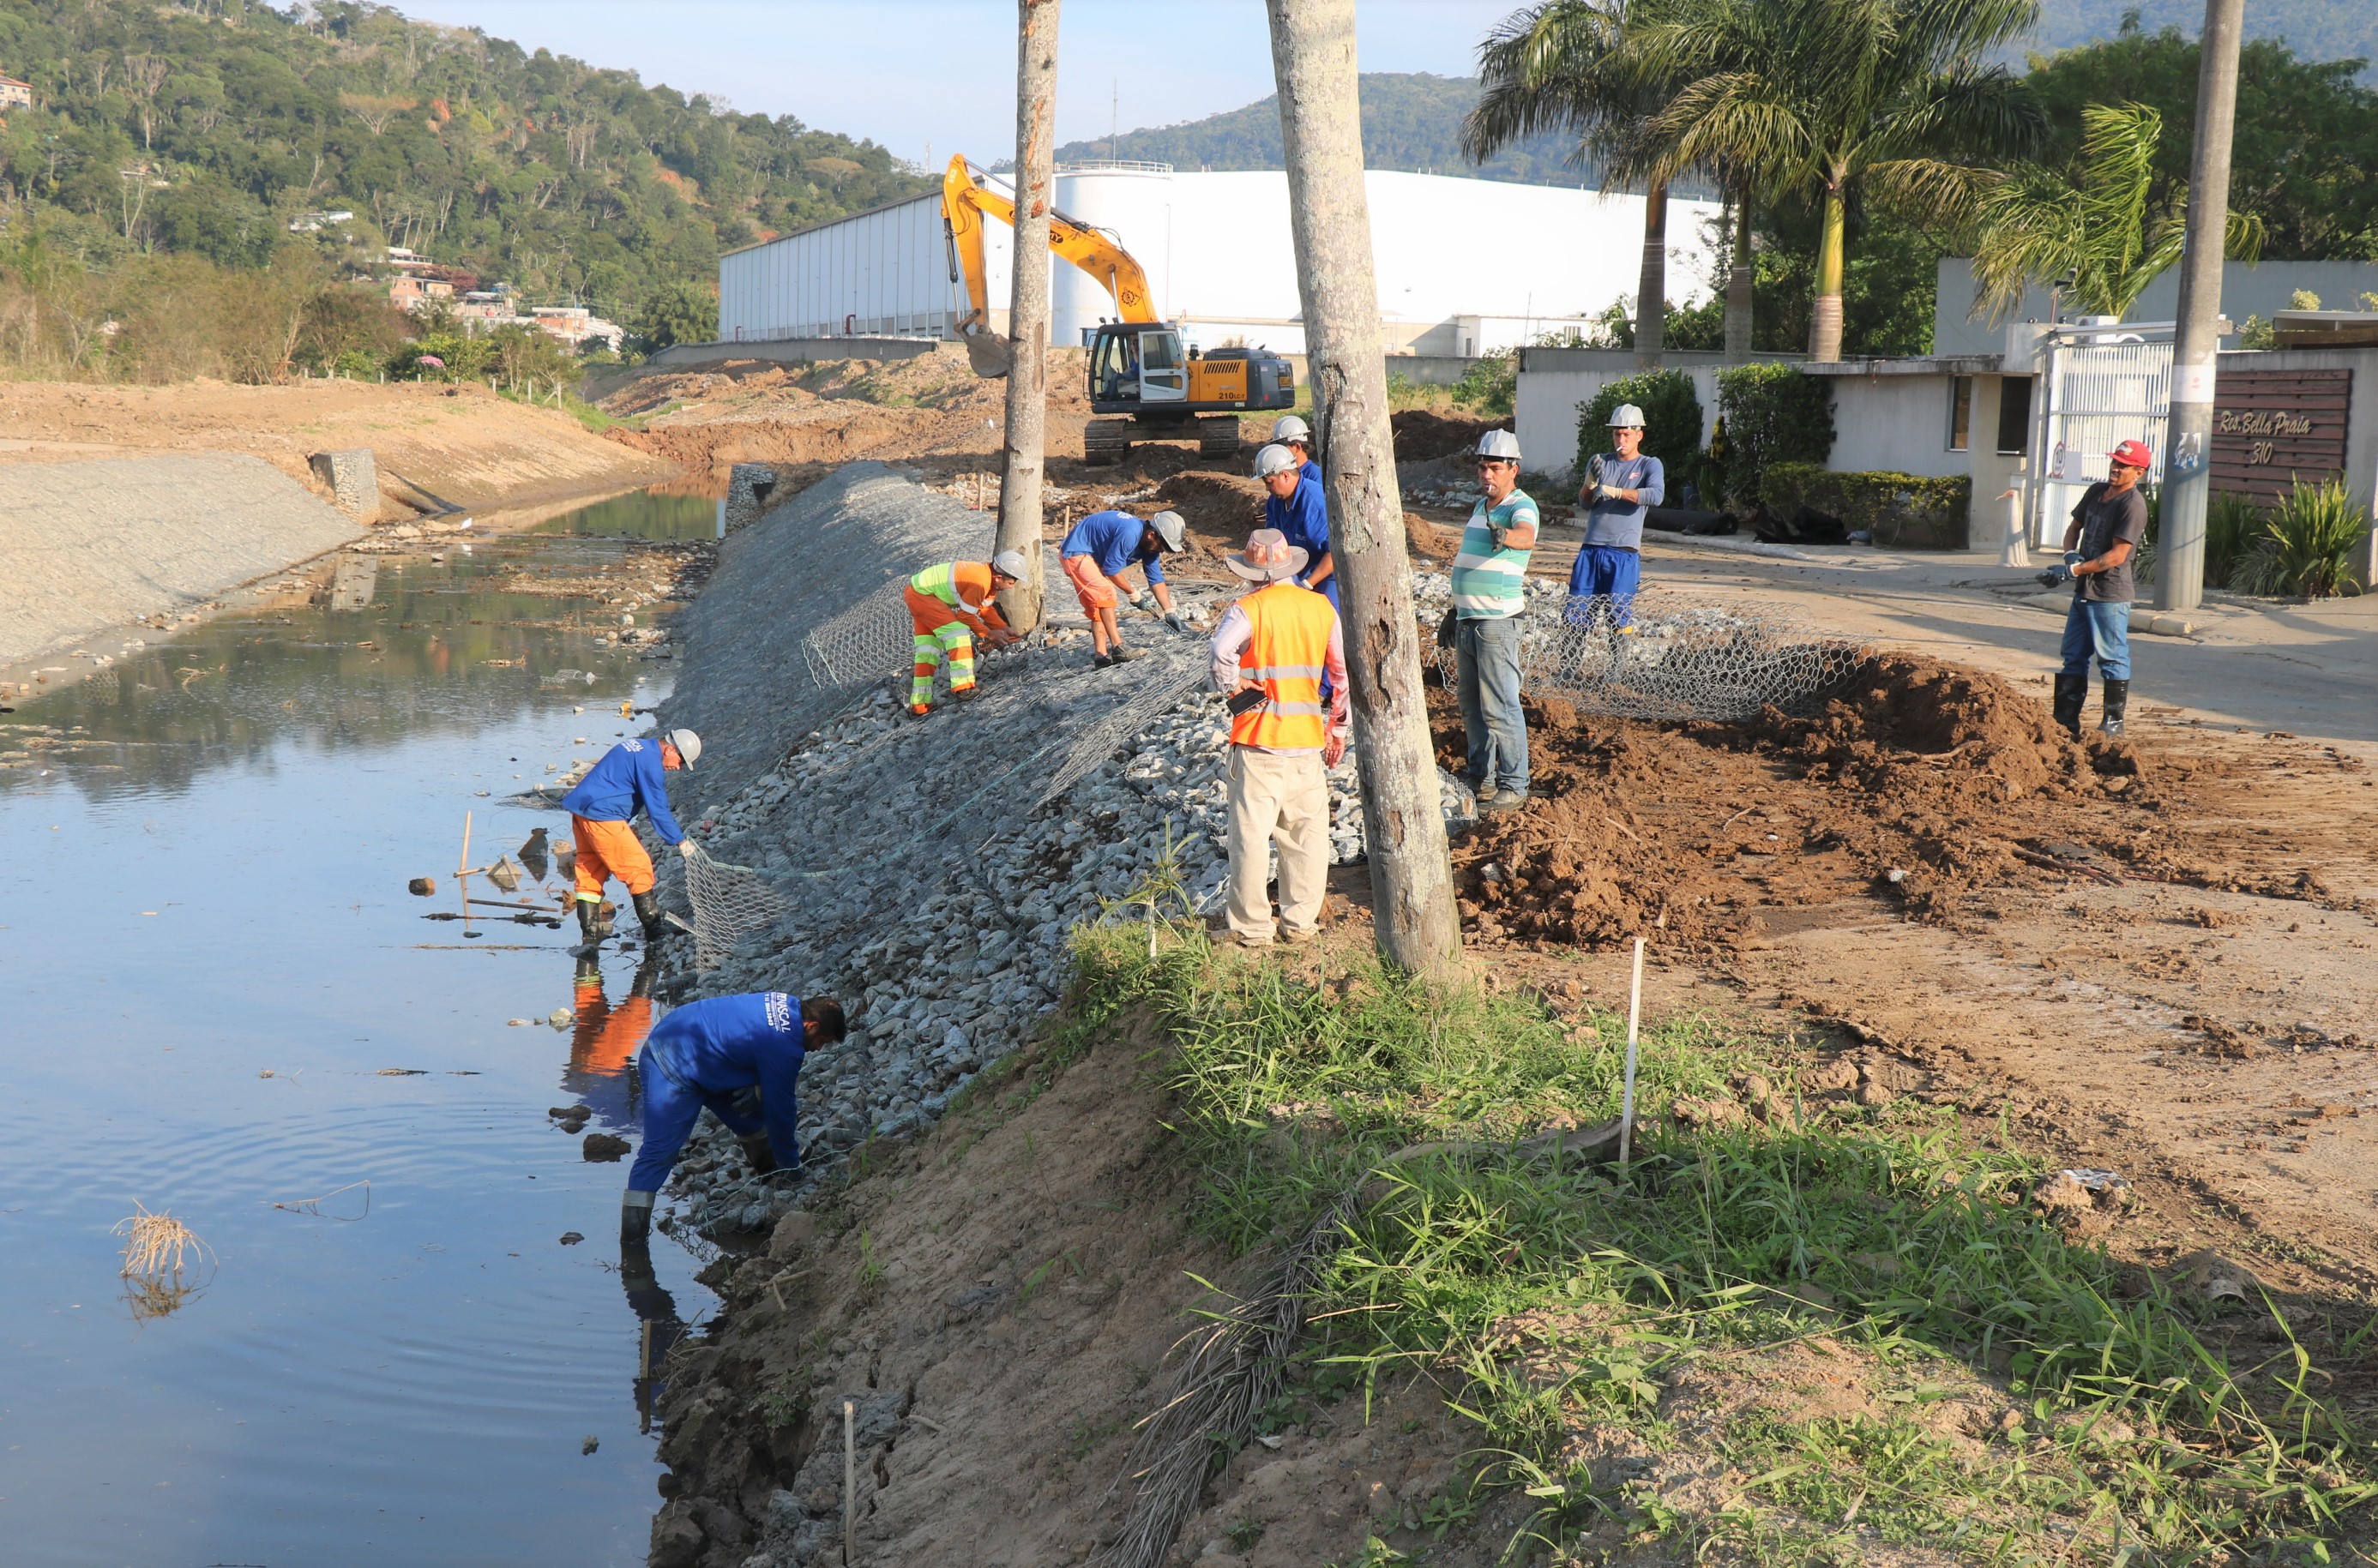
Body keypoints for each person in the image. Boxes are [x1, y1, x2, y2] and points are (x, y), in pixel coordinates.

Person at [1210, 528, 1349, 947]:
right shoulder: (1321, 607)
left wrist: (1233, 689)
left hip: (1258, 741)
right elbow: (1341, 674)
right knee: (1306, 839)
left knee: (1251, 839)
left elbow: (1221, 654)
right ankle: (1300, 926)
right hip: (1307, 742)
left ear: (1256, 572)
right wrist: (1336, 728)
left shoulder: (1248, 608)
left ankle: (1253, 931)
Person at [619, 990, 846, 1241]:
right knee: (657, 1154)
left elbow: (748, 1040)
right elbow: (780, 1112)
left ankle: (770, 1175)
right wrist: (793, 1165)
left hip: (695, 1045)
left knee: (749, 1119)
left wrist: (753, 1083)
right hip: (669, 1060)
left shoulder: (787, 1004)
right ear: (811, 1026)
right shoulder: (785, 1047)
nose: (818, 1049)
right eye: (822, 1042)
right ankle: (633, 1245)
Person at [1451, 430, 1538, 814]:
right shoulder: (1479, 507)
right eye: (1483, 466)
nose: (1487, 474)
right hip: (1470, 621)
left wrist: (1507, 537)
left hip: (1497, 624)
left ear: (1513, 470)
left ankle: (1514, 785)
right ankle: (1480, 778)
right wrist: (1454, 611)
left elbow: (1527, 535)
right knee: (1472, 706)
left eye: (1495, 467)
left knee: (1500, 707)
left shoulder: (1520, 505)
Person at [2044, 438, 2152, 737]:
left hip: (2109, 595)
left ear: (2139, 472)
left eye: (2124, 466)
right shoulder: (2096, 492)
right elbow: (2073, 529)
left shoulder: (2132, 506)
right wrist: (2069, 556)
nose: (2116, 468)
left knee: (2112, 656)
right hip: (2084, 591)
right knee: (2073, 655)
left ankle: (2113, 724)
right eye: (2115, 462)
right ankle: (2065, 724)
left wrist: (2074, 570)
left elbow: (2117, 556)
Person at [560, 728, 701, 952]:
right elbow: (658, 809)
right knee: (639, 868)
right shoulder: (650, 763)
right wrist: (680, 841)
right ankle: (654, 929)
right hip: (603, 815)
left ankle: (590, 938)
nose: (678, 767)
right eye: (681, 761)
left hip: (583, 809)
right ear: (671, 749)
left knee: (590, 870)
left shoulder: (638, 746)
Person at [1568, 403, 1664, 629]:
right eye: (1617, 434)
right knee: (1577, 613)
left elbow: (1656, 495)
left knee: (1619, 616)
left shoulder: (1649, 464)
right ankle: (1569, 665)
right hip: (1591, 548)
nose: (1621, 440)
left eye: (1626, 434)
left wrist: (1616, 492)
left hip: (1623, 551)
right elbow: (1585, 502)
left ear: (1639, 435)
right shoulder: (1600, 461)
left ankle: (1617, 666)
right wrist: (1589, 483)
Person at [904, 552, 1026, 717]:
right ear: (998, 577)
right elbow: (965, 615)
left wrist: (1004, 628)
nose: (1012, 587)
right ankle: (963, 688)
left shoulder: (988, 581)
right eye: (1011, 582)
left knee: (928, 651)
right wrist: (988, 634)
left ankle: (920, 705)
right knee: (959, 633)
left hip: (920, 594)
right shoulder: (980, 582)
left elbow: (985, 609)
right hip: (922, 596)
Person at [1060, 508, 1188, 664]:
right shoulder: (1131, 533)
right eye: (1162, 546)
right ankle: (1118, 648)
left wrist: (1169, 611)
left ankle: (1101, 656)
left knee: (1099, 606)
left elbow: (1156, 579)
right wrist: (1133, 593)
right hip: (1076, 552)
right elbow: (1111, 569)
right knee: (1106, 594)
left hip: (1092, 557)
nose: (1161, 551)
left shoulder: (1150, 546)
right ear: (1152, 534)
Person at [1256, 442, 1335, 612]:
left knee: (1327, 618)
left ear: (1285, 475)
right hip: (1299, 569)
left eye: (1270, 482)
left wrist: (1307, 585)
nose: (1267, 488)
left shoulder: (1314, 504)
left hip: (1327, 574)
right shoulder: (1276, 502)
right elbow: (1272, 540)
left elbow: (1335, 552)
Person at [1271, 414, 1324, 487]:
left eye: (1283, 447)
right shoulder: (1285, 474)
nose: (1279, 452)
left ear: (1298, 447)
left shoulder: (1315, 475)